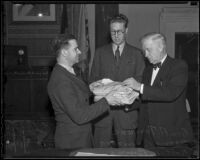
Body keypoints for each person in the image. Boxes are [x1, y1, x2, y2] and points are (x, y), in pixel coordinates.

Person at [47, 34, 124, 150]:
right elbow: (80, 115)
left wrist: (90, 89)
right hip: (72, 142)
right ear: (64, 52)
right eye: (75, 49)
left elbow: (75, 95)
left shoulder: (68, 71)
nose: (79, 51)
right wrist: (107, 100)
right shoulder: (60, 80)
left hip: (81, 137)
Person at [123, 33, 194, 151]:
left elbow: (170, 93)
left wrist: (139, 87)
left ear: (161, 47)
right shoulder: (147, 70)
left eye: (148, 50)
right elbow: (147, 98)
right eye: (144, 51)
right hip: (148, 134)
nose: (145, 55)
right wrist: (128, 101)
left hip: (171, 134)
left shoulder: (179, 66)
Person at [90, 14, 145, 148]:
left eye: (119, 31)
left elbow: (140, 80)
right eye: (112, 31)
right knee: (99, 152)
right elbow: (93, 80)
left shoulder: (137, 54)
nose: (116, 35)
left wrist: (120, 90)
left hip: (127, 113)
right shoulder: (100, 53)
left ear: (126, 31)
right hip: (103, 112)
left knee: (128, 153)